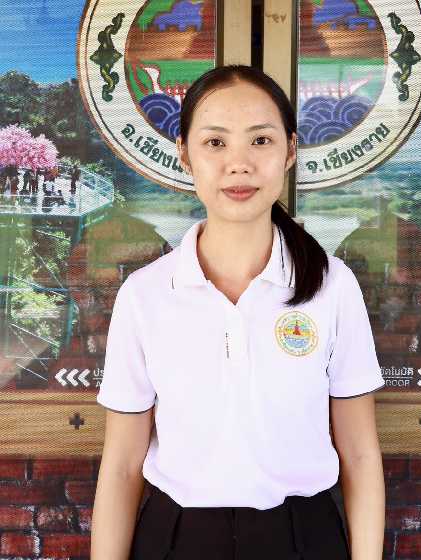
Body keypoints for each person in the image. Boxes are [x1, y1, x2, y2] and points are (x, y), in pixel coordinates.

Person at [91, 65, 386, 560]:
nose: (239, 164)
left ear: (290, 151)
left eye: (260, 141)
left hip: (303, 538)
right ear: (184, 154)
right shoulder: (145, 295)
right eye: (215, 143)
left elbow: (359, 454)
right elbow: (121, 465)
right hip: (176, 539)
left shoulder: (332, 287)